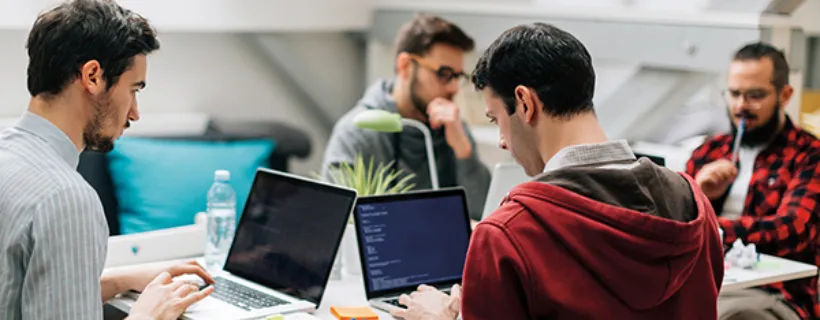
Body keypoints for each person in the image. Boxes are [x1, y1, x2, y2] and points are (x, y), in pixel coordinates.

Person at [389, 23, 725, 320]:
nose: (503, 142)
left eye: (496, 120)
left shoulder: (506, 235)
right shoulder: (694, 204)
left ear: (524, 103)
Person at [0, 1, 214, 319]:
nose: (135, 113)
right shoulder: (67, 199)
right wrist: (149, 314)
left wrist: (118, 280)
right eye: (134, 89)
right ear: (93, 76)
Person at [685, 42, 820, 319]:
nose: (741, 106)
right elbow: (672, 223)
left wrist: (711, 230)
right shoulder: (708, 152)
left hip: (776, 293)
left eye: (755, 95)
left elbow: (791, 229)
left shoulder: (809, 155)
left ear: (785, 95)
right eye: (734, 94)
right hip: (707, 282)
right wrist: (699, 194)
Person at [321, 13, 491, 220]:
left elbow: (484, 213)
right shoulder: (357, 133)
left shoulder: (452, 126)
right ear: (405, 66)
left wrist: (464, 153)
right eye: (444, 74)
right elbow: (338, 221)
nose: (453, 88)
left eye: (457, 77)